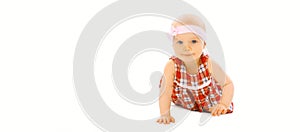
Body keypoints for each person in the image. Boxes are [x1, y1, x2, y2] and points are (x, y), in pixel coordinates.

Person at [156, 14, 234, 125]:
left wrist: (223, 104)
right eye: (180, 42)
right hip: (184, 101)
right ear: (173, 44)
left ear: (204, 44)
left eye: (193, 41)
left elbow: (228, 84)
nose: (186, 47)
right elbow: (165, 90)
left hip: (207, 101)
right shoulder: (172, 65)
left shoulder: (208, 63)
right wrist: (165, 114)